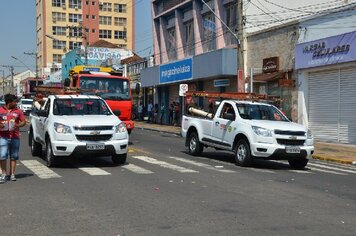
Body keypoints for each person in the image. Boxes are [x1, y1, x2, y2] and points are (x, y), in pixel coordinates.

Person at [0, 94, 26, 183]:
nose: (16, 103)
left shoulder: (18, 111)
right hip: (3, 136)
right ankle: (3, 174)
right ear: (9, 102)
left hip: (15, 136)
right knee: (3, 155)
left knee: (14, 156)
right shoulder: (0, 110)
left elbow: (23, 122)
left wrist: (17, 125)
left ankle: (12, 174)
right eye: (14, 101)